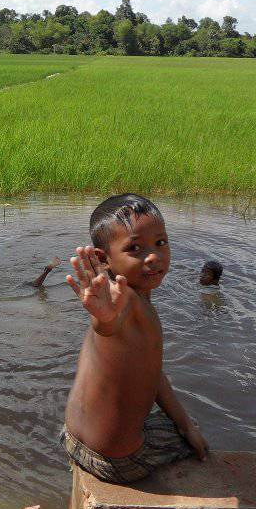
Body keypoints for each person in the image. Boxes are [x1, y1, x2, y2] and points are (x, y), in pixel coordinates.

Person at [62, 194, 209, 486]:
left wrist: (184, 423)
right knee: (202, 439)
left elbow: (153, 375)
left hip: (71, 437)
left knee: (182, 424)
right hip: (115, 460)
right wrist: (104, 318)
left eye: (160, 243)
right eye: (135, 248)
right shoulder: (122, 303)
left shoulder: (131, 298)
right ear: (104, 259)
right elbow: (108, 325)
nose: (153, 256)